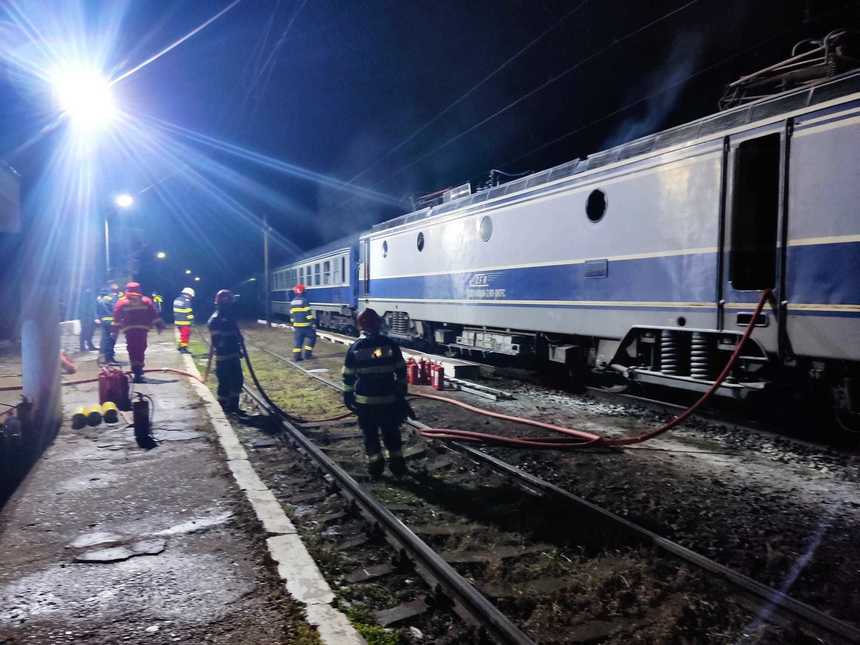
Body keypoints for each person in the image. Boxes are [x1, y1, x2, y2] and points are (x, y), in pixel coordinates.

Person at [342, 308, 410, 478]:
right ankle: (398, 467)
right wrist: (401, 392)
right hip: (389, 400)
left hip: (366, 403)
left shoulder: (356, 348)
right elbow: (401, 371)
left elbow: (348, 375)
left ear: (360, 325)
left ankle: (375, 467)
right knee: (391, 433)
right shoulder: (390, 345)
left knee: (370, 435)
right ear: (379, 324)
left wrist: (348, 395)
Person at [112, 282, 165, 383]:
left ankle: (135, 369)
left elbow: (116, 316)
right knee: (141, 349)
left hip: (129, 330)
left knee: (132, 349)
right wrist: (159, 325)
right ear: (139, 289)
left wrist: (114, 331)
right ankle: (139, 371)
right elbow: (154, 314)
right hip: (142, 329)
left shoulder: (122, 302)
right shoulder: (146, 301)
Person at [208, 289, 245, 415]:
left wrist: (238, 344)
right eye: (229, 304)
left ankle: (233, 407)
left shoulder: (228, 318)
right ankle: (224, 408)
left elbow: (234, 333)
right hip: (224, 358)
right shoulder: (216, 319)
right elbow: (218, 341)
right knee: (225, 384)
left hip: (233, 355)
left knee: (237, 381)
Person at [289, 283, 316, 361]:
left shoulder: (292, 302)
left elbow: (291, 315)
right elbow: (308, 314)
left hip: (297, 326)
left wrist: (293, 324)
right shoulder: (305, 301)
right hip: (306, 326)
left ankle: (296, 357)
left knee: (298, 342)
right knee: (312, 337)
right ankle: (307, 355)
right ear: (303, 292)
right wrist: (312, 323)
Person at [97, 283, 120, 364]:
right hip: (111, 321)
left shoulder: (99, 299)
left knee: (105, 339)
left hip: (104, 321)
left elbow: (98, 311)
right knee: (111, 340)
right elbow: (116, 309)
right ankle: (109, 358)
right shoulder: (111, 298)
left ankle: (104, 358)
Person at [172, 287, 195, 353]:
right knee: (185, 335)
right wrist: (191, 320)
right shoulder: (187, 301)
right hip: (185, 322)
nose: (191, 297)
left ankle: (180, 346)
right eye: (191, 296)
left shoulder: (177, 299)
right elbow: (189, 311)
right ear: (189, 294)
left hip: (177, 321)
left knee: (182, 335)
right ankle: (183, 348)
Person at [78, 287, 98, 352]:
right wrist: (88, 317)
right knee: (84, 332)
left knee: (90, 332)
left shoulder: (90, 297)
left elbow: (92, 308)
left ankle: (90, 345)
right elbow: (83, 309)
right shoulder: (83, 298)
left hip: (90, 318)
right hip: (85, 318)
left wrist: (94, 317)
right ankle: (82, 346)